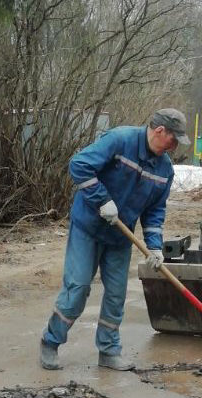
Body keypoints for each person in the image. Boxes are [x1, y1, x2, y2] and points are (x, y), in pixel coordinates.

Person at [39, 108, 191, 371]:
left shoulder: (165, 170)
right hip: (89, 225)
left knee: (116, 295)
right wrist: (102, 200)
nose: (175, 146)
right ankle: (50, 342)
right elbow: (79, 165)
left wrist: (155, 247)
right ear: (159, 131)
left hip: (121, 234)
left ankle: (109, 351)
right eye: (173, 139)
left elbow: (155, 211)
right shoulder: (120, 140)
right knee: (77, 288)